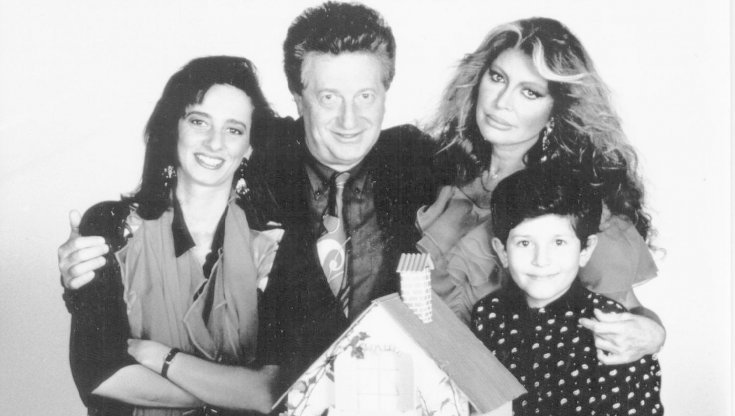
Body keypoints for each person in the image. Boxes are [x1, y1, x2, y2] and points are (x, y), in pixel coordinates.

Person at [418, 17, 664, 364]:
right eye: (497, 77)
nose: (501, 102)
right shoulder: (446, 173)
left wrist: (654, 335)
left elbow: (627, 317)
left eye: (529, 92)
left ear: (555, 109)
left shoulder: (568, 200)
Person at [62, 56, 282, 415]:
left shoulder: (273, 245)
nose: (214, 142)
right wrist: (225, 395)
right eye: (199, 121)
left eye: (234, 130)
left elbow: (269, 391)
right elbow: (100, 373)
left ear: (249, 147)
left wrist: (158, 356)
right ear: (173, 128)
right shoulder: (111, 225)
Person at [252, 1, 438, 388]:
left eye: (365, 96)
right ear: (298, 98)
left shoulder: (422, 165)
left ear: (386, 93)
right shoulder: (256, 169)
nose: (349, 120)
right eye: (329, 98)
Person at [471, 164, 663, 416]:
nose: (541, 260)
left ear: (585, 250)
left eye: (559, 242)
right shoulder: (488, 313)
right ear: (502, 251)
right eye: (524, 243)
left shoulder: (612, 331)